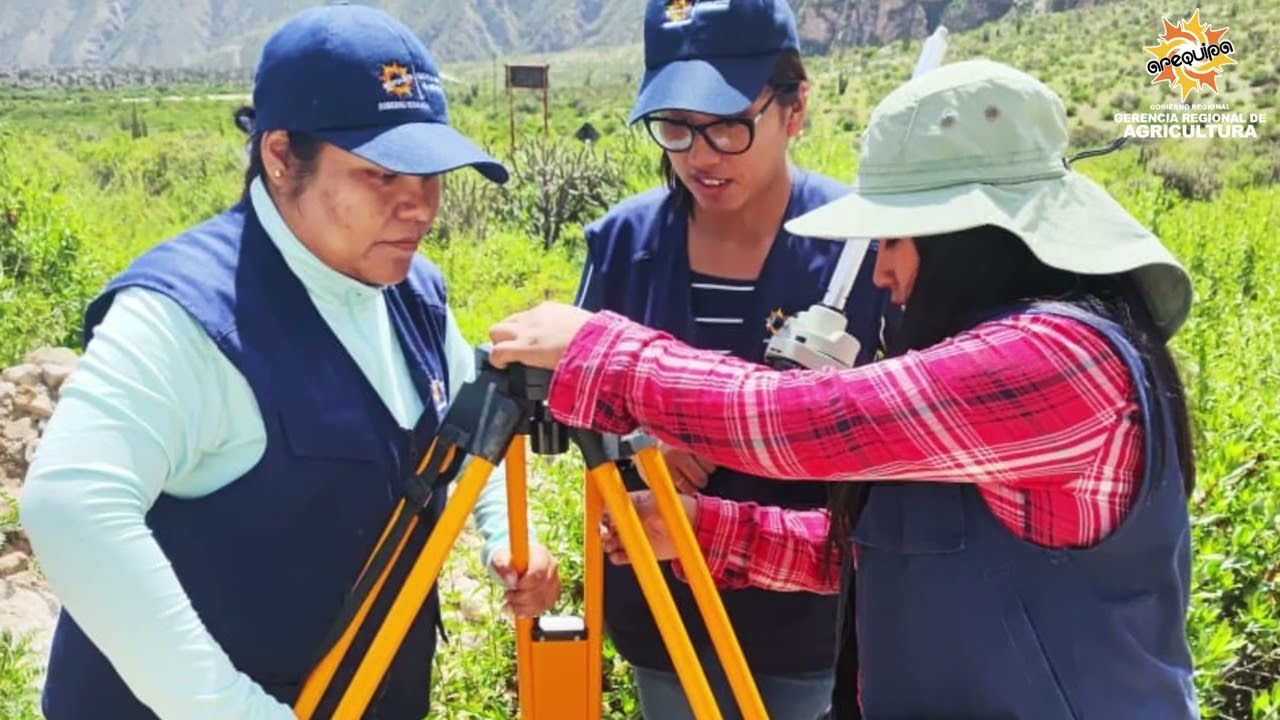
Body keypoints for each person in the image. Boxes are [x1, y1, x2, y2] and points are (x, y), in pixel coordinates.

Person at [488, 58, 1200, 719]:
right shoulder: (992, 371)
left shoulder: (1059, 363)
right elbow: (884, 555)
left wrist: (598, 350)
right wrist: (708, 531)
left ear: (964, 238)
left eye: (894, 239)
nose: (882, 272)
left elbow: (805, 422)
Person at [19, 6, 561, 720]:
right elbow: (70, 506)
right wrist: (228, 707)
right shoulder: (190, 313)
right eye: (381, 175)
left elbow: (462, 417)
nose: (419, 207)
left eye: (431, 176)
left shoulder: (410, 290)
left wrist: (503, 534)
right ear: (280, 156)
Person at [570, 0, 892, 717]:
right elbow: (576, 396)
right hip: (660, 603)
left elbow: (899, 428)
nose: (700, 156)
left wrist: (711, 424)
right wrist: (638, 439)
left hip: (802, 620)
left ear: (795, 108)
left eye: (727, 125)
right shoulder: (624, 244)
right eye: (676, 127)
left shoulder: (865, 251)